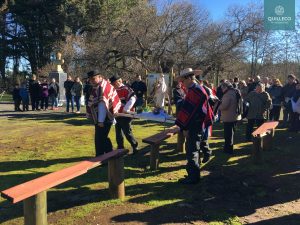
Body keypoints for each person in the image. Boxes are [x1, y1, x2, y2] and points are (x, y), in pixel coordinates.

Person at [175, 68, 214, 184]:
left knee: (192, 151)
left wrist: (185, 127)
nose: (182, 83)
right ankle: (192, 175)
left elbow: (190, 112)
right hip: (196, 125)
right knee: (192, 150)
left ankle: (193, 178)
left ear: (188, 78)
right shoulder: (196, 89)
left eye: (183, 80)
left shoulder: (195, 91)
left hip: (195, 126)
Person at [86, 70, 121, 156]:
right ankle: (110, 154)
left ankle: (101, 157)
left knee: (100, 138)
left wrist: (100, 121)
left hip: (105, 117)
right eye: (90, 79)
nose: (91, 81)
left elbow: (103, 105)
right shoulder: (100, 85)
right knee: (102, 137)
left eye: (93, 79)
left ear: (100, 77)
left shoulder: (102, 87)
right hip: (105, 117)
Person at [109, 75, 139, 154]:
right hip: (117, 114)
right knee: (118, 132)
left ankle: (135, 145)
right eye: (113, 84)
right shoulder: (113, 90)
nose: (114, 85)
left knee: (127, 132)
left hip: (126, 115)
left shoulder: (126, 89)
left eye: (115, 83)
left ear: (120, 81)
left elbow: (133, 97)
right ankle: (120, 148)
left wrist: (126, 108)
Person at [218, 81, 240, 154]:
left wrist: (217, 106)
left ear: (226, 87)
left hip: (228, 116)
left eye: (222, 88)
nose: (221, 90)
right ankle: (229, 148)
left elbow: (224, 106)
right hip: (233, 115)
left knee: (228, 134)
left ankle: (228, 149)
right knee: (231, 133)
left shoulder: (228, 94)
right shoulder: (234, 92)